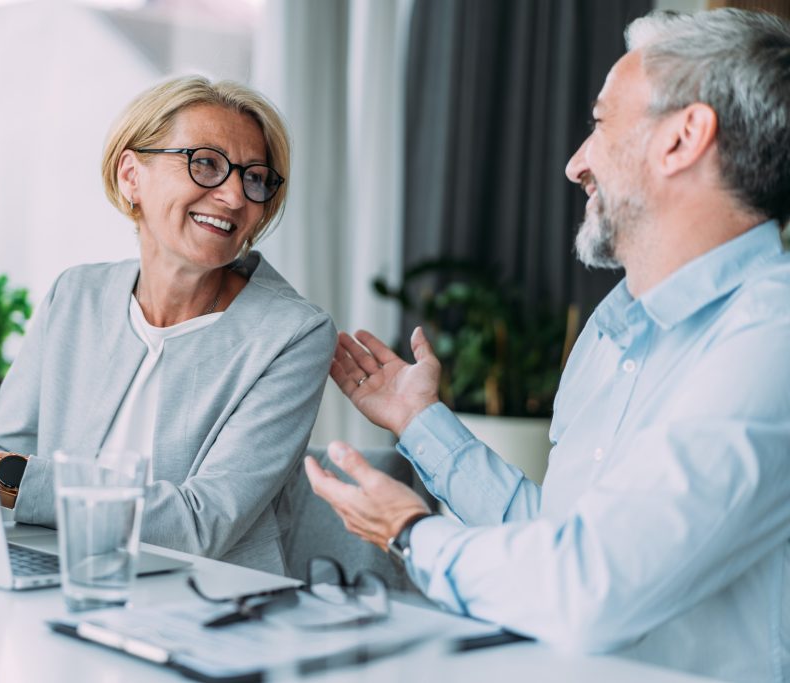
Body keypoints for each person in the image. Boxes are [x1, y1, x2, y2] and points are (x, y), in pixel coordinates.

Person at [306, 9, 790, 682]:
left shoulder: (773, 335)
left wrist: (411, 533)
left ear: (683, 138)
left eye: (599, 122)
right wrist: (422, 424)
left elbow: (587, 590)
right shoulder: (616, 329)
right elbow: (559, 537)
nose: (574, 164)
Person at [0, 76, 336, 574]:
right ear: (132, 176)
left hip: (207, 607)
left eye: (254, 177)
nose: (236, 197)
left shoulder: (293, 334)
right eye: (207, 164)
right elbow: (2, 454)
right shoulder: (75, 295)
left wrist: (17, 483)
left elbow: (201, 526)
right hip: (58, 574)